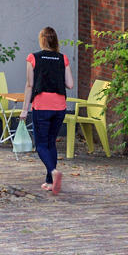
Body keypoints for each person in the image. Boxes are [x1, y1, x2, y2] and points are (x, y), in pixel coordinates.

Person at [24, 26, 75, 195]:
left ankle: (53, 172)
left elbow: (30, 85)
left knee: (40, 145)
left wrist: (24, 110)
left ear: (42, 40)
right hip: (59, 106)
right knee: (51, 142)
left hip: (41, 106)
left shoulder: (33, 58)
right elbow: (70, 84)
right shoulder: (63, 58)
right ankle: (50, 182)